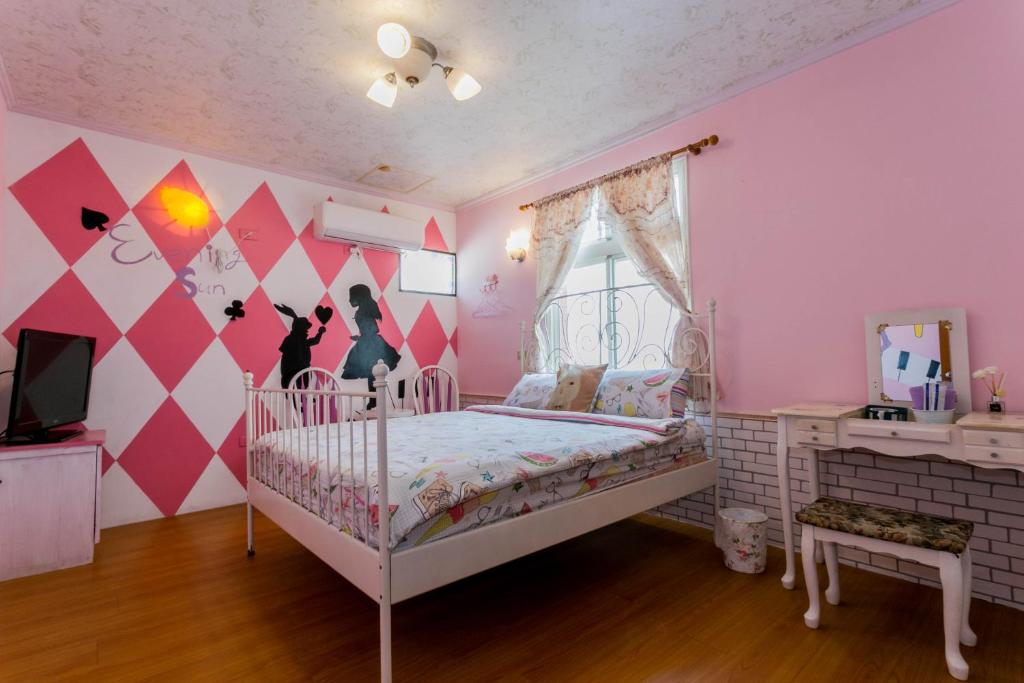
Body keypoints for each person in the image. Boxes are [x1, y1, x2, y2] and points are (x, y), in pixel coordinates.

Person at [341, 284, 401, 408]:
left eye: (351, 297)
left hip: (370, 344)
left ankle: (374, 400)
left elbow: (372, 328)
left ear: (359, 297)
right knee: (372, 373)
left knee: (372, 372)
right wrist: (360, 337)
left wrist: (362, 337)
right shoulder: (364, 311)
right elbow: (371, 329)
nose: (349, 300)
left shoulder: (362, 312)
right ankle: (374, 400)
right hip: (369, 341)